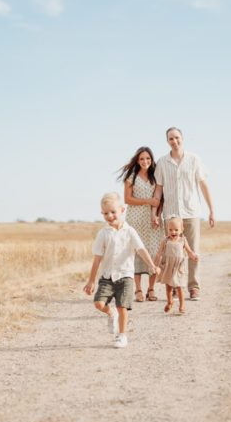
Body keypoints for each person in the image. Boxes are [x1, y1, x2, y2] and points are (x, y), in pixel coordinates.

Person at [83, 192, 157, 349]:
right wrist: (91, 281)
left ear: (122, 210)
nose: (109, 216)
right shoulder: (103, 234)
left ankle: (122, 336)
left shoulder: (130, 231)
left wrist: (150, 264)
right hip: (107, 276)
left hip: (125, 276)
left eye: (113, 212)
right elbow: (97, 259)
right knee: (98, 303)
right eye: (105, 213)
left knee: (122, 306)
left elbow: (141, 249)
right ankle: (111, 313)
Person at [153, 127, 215, 300]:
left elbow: (203, 186)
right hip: (171, 214)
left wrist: (211, 210)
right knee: (171, 252)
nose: (175, 141)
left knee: (192, 250)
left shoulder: (194, 159)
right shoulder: (162, 162)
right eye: (171, 139)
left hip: (191, 211)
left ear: (182, 138)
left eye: (177, 138)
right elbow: (158, 190)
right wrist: (154, 213)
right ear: (167, 141)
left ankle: (194, 287)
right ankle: (173, 285)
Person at [117, 146, 163, 303]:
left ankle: (151, 289)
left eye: (148, 158)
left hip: (152, 219)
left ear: (152, 159)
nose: (145, 161)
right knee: (136, 252)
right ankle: (138, 289)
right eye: (142, 159)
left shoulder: (155, 175)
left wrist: (156, 214)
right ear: (137, 160)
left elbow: (159, 198)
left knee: (154, 251)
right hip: (135, 218)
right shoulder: (131, 176)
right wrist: (147, 201)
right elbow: (127, 199)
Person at [154, 217, 200, 314]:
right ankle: (170, 302)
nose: (173, 232)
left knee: (179, 286)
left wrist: (193, 256)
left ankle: (182, 305)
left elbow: (189, 251)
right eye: (170, 230)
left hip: (178, 267)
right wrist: (155, 265)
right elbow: (159, 253)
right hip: (168, 266)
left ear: (182, 229)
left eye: (176, 230)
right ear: (167, 229)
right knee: (168, 287)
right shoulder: (165, 241)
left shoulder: (183, 240)